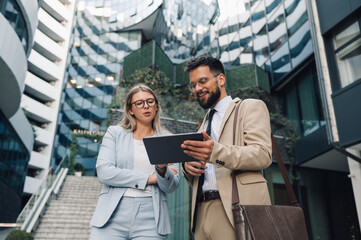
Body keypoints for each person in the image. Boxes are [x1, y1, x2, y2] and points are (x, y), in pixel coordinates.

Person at [181, 56, 272, 240]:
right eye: (193, 85)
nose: (197, 88)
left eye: (203, 81)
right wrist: (187, 167)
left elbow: (262, 154)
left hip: (235, 209)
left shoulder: (249, 107)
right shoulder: (202, 126)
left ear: (221, 79)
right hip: (201, 214)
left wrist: (215, 152)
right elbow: (201, 173)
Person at [89, 84, 179, 240]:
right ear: (130, 109)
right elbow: (104, 172)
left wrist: (162, 170)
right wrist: (148, 178)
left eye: (150, 101)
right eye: (139, 103)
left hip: (152, 218)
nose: (146, 106)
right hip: (112, 214)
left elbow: (171, 186)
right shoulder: (114, 133)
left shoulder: (167, 139)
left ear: (156, 106)